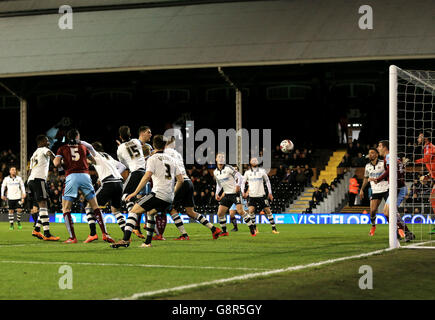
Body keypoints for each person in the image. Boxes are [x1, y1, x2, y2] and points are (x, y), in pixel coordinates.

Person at [110, 135, 184, 248]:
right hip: (169, 196)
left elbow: (146, 176)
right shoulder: (172, 160)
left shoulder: (152, 159)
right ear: (165, 145)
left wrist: (135, 193)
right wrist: (173, 193)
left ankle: (125, 240)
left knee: (133, 211)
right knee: (150, 213)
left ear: (154, 145)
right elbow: (181, 180)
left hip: (158, 194)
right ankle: (147, 242)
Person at [53, 129, 114, 244]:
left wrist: (64, 162)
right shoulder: (83, 147)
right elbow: (94, 161)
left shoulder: (62, 148)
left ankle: (72, 238)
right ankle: (105, 234)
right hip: (85, 176)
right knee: (95, 206)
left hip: (72, 176)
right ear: (77, 136)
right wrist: (84, 161)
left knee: (66, 208)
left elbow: (56, 163)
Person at [164, 136, 222, 240]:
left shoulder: (165, 152)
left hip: (180, 182)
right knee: (190, 212)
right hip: (188, 181)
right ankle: (213, 229)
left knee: (172, 209)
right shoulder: (177, 154)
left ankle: (184, 235)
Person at [80, 141, 127, 243]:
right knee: (115, 210)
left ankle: (93, 234)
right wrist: (114, 175)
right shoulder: (107, 156)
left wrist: (78, 141)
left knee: (89, 206)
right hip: (119, 183)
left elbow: (89, 146)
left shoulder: (95, 154)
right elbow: (123, 167)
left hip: (109, 183)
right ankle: (126, 234)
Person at [370, 140, 414, 242]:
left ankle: (406, 233)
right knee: (387, 212)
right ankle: (397, 233)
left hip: (398, 188)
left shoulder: (390, 157)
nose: (378, 148)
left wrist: (378, 179)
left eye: (379, 146)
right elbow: (395, 170)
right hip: (396, 187)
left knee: (390, 211)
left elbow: (390, 171)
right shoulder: (393, 157)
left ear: (385, 147)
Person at [214, 153, 256, 237]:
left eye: (222, 157)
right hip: (226, 194)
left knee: (240, 211)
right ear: (216, 159)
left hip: (234, 194)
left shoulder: (229, 168)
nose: (221, 159)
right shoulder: (215, 172)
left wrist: (238, 186)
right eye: (219, 157)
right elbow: (219, 184)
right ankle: (225, 231)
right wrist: (216, 193)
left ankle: (251, 227)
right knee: (220, 213)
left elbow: (240, 177)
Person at [117, 125, 147, 238]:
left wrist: (122, 147)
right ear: (130, 134)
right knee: (133, 197)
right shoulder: (136, 141)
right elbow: (141, 144)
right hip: (144, 172)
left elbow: (123, 164)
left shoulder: (120, 149)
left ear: (120, 136)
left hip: (135, 172)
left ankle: (133, 221)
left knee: (124, 196)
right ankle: (137, 227)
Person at [27, 135, 59, 241]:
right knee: (43, 205)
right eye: (46, 140)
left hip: (32, 180)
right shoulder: (44, 149)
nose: (48, 141)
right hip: (38, 180)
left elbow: (30, 170)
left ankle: (37, 229)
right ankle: (47, 234)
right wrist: (57, 160)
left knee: (44, 205)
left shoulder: (34, 154)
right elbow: (50, 154)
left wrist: (28, 183)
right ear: (41, 142)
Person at [242, 157, 278, 234]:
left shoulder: (262, 171)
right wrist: (242, 192)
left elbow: (267, 181)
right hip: (252, 196)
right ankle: (255, 228)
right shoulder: (247, 173)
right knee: (251, 211)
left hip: (262, 195)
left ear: (258, 162)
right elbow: (242, 183)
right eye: (253, 160)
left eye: (256, 160)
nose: (254, 161)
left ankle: (274, 228)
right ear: (250, 162)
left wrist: (270, 193)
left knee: (268, 210)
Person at [359, 148, 388, 236]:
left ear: (377, 154)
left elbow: (389, 173)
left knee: (388, 212)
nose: (370, 154)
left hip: (386, 188)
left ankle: (397, 228)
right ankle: (373, 226)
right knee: (372, 211)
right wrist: (362, 189)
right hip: (375, 190)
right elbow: (365, 178)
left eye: (372, 153)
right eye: (369, 153)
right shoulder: (367, 166)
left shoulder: (383, 163)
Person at [414, 131, 435, 234]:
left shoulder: (430, 147)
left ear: (425, 139)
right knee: (432, 199)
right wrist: (427, 176)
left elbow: (427, 159)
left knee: (433, 198)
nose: (418, 139)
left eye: (419, 137)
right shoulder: (426, 148)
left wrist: (414, 161)